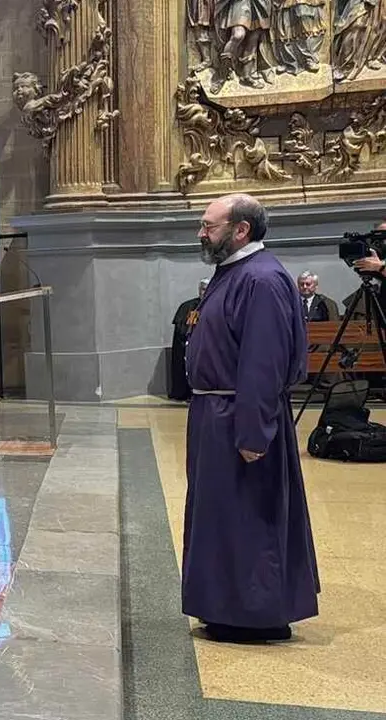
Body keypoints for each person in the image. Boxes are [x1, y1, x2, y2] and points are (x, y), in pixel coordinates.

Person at [183, 192, 319, 643]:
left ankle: (253, 615)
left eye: (210, 225)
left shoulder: (261, 279)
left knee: (248, 519)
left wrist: (254, 433)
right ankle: (224, 607)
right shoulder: (234, 273)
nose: (202, 233)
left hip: (238, 420)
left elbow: (263, 363)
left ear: (241, 230)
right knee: (221, 518)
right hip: (214, 414)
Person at [169, 278, 210, 402]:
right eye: (202, 289)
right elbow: (184, 329)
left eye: (207, 289)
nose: (204, 292)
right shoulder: (190, 306)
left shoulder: (216, 304)